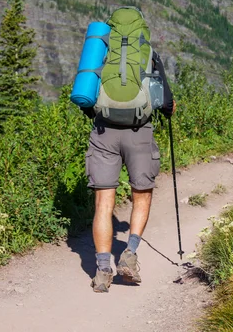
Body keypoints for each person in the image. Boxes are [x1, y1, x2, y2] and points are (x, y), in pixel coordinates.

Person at [82, 50, 176, 293]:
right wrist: (167, 109)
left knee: (104, 203)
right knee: (141, 195)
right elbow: (166, 103)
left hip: (104, 134)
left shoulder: (101, 51)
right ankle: (129, 254)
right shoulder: (149, 53)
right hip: (140, 132)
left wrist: (102, 116)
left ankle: (103, 271)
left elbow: (85, 98)